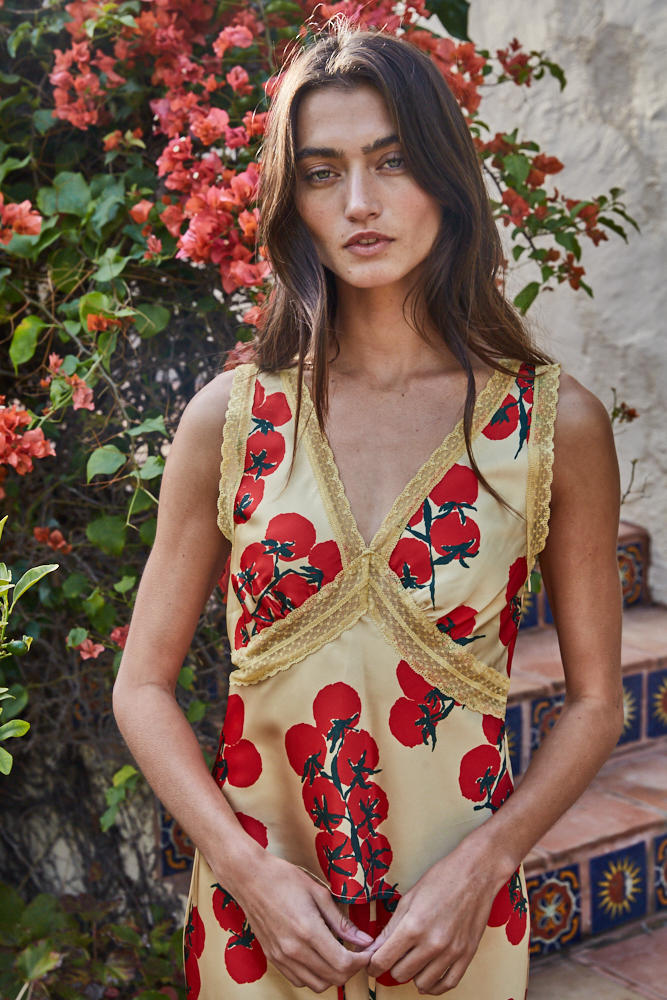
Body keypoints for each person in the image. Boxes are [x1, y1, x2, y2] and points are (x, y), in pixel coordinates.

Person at [112, 21, 624, 999]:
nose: (358, 202)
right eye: (320, 171)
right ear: (289, 200)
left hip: (454, 928)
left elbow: (598, 702)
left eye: (391, 162)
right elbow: (140, 685)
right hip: (258, 924)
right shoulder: (230, 420)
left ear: (443, 177)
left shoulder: (551, 426)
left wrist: (488, 862)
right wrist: (248, 872)